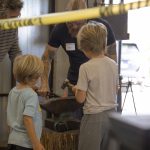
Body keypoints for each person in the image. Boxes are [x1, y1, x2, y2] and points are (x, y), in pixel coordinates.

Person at [39, 0, 116, 97]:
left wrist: (109, 84)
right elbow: (46, 58)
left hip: (99, 84)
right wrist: (44, 83)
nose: (74, 27)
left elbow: (112, 58)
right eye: (70, 23)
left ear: (86, 18)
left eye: (78, 23)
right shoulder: (60, 29)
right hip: (74, 84)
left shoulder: (101, 28)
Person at [72, 22, 118, 150]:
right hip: (112, 116)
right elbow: (116, 89)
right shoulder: (113, 64)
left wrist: (76, 90)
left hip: (94, 118)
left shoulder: (85, 67)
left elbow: (80, 98)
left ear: (85, 47)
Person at [7, 54, 45, 150]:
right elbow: (27, 119)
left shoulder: (13, 91)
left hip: (13, 140)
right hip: (26, 144)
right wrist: (36, 144)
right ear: (34, 77)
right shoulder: (31, 95)